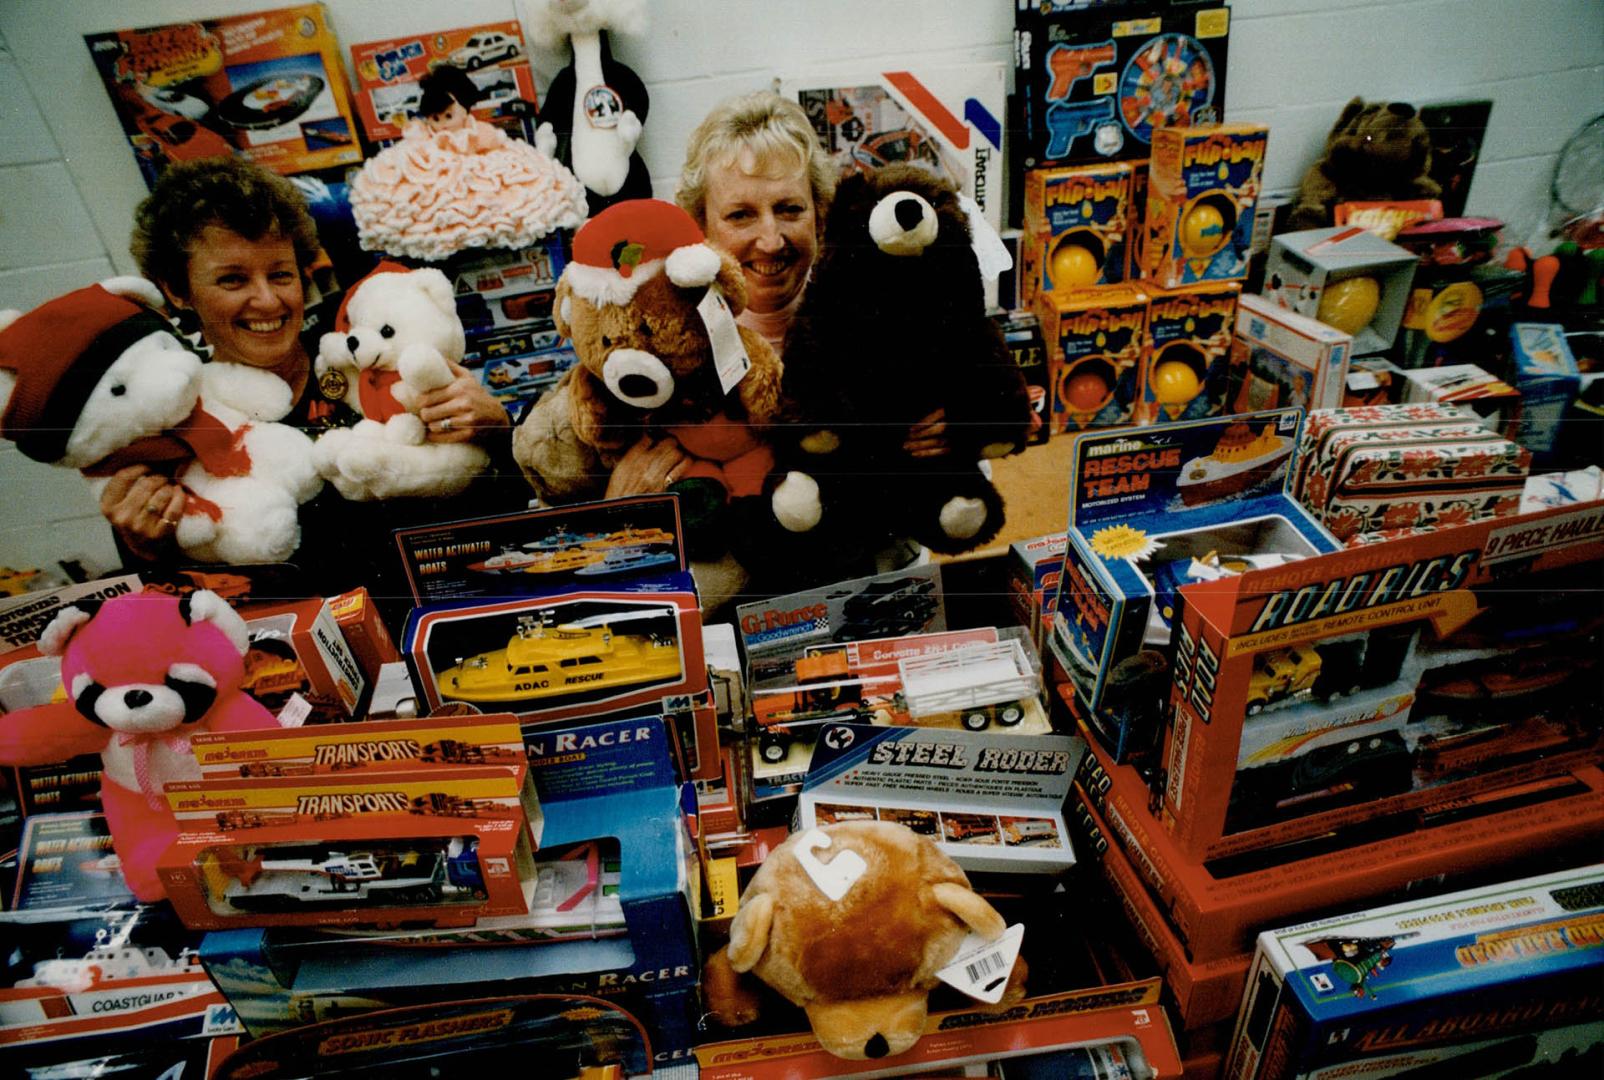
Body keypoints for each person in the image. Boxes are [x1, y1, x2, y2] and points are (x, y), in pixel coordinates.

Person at [108, 157, 517, 618]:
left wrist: (498, 433)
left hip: (454, 622)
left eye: (280, 274)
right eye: (233, 279)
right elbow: (178, 605)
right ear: (177, 290)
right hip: (311, 667)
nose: (267, 300)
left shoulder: (372, 353)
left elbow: (498, 508)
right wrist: (145, 546)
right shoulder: (169, 415)